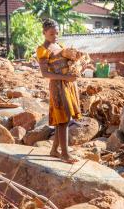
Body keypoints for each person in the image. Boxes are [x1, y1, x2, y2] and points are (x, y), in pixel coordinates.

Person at [36, 19, 81, 163]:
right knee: (63, 119)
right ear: (44, 33)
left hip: (67, 85)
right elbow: (45, 74)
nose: (54, 36)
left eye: (56, 33)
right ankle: (65, 154)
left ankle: (54, 150)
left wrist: (76, 62)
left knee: (62, 119)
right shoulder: (42, 49)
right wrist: (65, 77)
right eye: (51, 34)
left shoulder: (60, 45)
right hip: (57, 86)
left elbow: (67, 62)